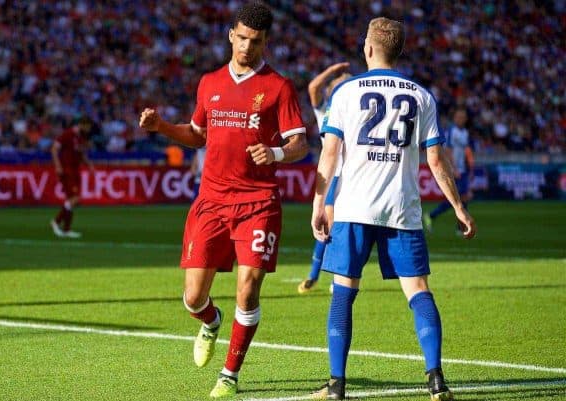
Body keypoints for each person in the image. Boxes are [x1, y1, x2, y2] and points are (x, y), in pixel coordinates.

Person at [139, 3, 308, 398]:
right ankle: (211, 321)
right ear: (231, 35)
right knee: (193, 297)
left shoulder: (279, 87)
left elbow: (299, 143)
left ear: (266, 42)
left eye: (257, 41)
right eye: (243, 38)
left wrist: (278, 154)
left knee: (248, 289)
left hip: (258, 202)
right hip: (211, 202)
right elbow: (198, 134)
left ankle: (229, 375)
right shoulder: (209, 82)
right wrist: (161, 126)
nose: (248, 47)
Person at [311, 17, 476, 401]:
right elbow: (436, 159)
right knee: (419, 291)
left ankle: (336, 385)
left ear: (368, 48)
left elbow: (331, 153)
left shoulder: (347, 93)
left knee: (342, 294)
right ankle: (436, 380)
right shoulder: (421, 95)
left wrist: (320, 203)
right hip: (402, 209)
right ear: (399, 51)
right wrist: (458, 206)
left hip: (353, 207)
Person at [298, 62, 351, 294]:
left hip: (352, 175)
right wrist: (333, 70)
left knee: (341, 228)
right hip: (334, 174)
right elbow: (313, 87)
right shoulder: (325, 110)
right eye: (338, 86)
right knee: (327, 225)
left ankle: (332, 276)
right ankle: (317, 275)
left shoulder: (355, 109)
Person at [423, 108, 474, 233]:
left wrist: (471, 167)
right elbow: (448, 150)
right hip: (455, 169)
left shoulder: (465, 133)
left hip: (463, 169)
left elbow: (467, 151)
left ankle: (459, 226)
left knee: (463, 197)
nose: (461, 119)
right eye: (458, 117)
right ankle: (432, 215)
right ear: (454, 118)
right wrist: (453, 168)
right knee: (458, 197)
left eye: (463, 117)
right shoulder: (452, 131)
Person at [50, 116, 95, 239]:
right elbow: (54, 148)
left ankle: (66, 229)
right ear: (82, 124)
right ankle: (56, 222)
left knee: (72, 199)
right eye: (88, 127)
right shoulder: (68, 134)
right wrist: (58, 165)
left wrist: (89, 165)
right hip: (67, 170)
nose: (88, 130)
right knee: (74, 198)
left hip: (75, 170)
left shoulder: (80, 137)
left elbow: (80, 154)